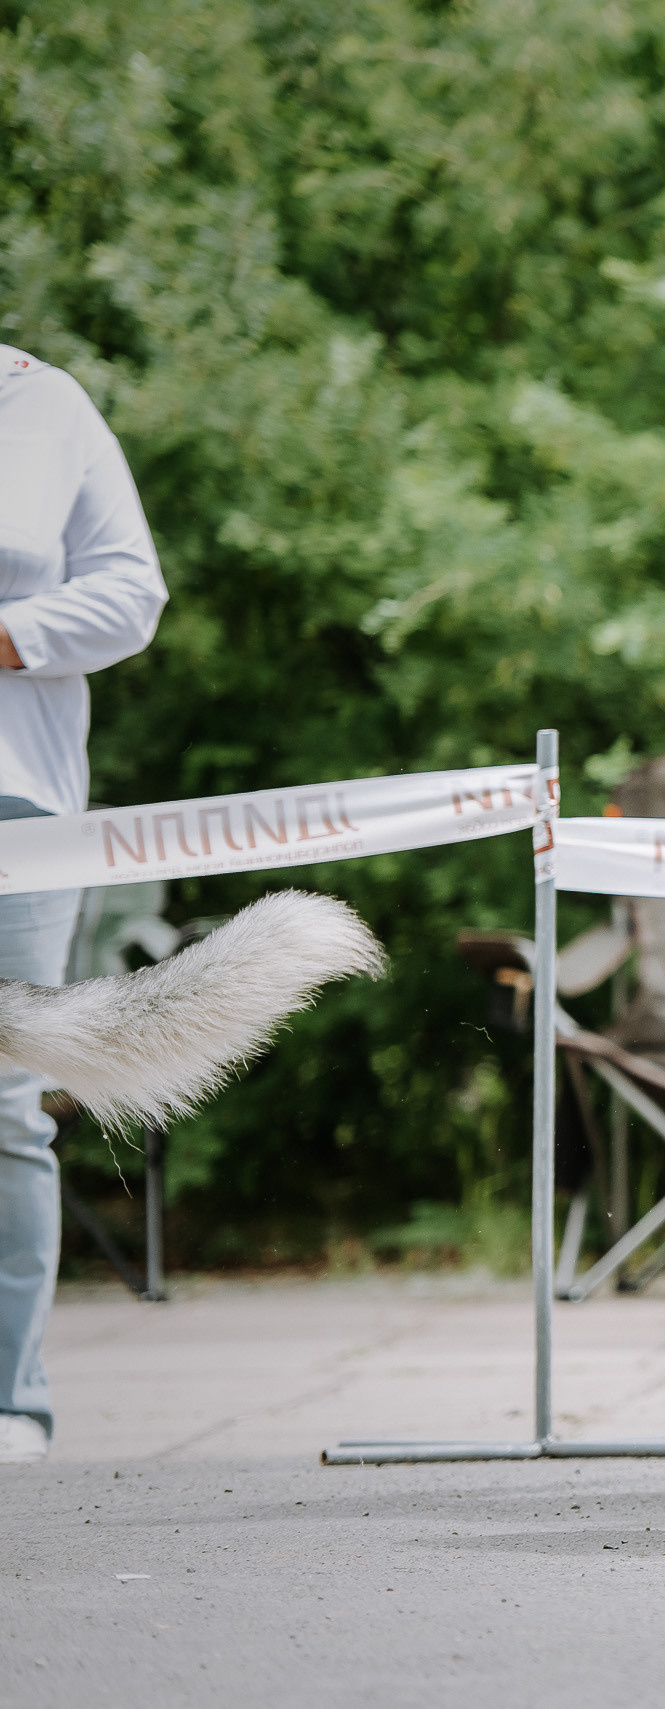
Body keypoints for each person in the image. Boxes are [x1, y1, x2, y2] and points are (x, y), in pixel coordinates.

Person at [0, 343, 170, 1465]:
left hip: (19, 807)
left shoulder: (41, 403)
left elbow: (130, 594)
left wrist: (9, 634)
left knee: (7, 1106)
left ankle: (12, 1398)